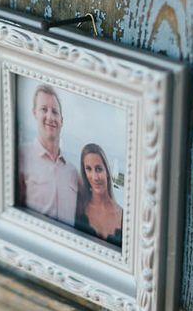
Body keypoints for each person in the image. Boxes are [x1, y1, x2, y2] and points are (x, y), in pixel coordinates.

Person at [18, 84, 79, 226]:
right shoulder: (21, 156)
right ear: (35, 113)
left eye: (55, 112)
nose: (50, 117)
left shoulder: (73, 172)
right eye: (44, 109)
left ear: (62, 121)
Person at [75, 143, 123, 247]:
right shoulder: (78, 208)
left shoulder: (123, 216)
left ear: (107, 171)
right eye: (88, 169)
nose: (95, 177)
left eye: (99, 169)